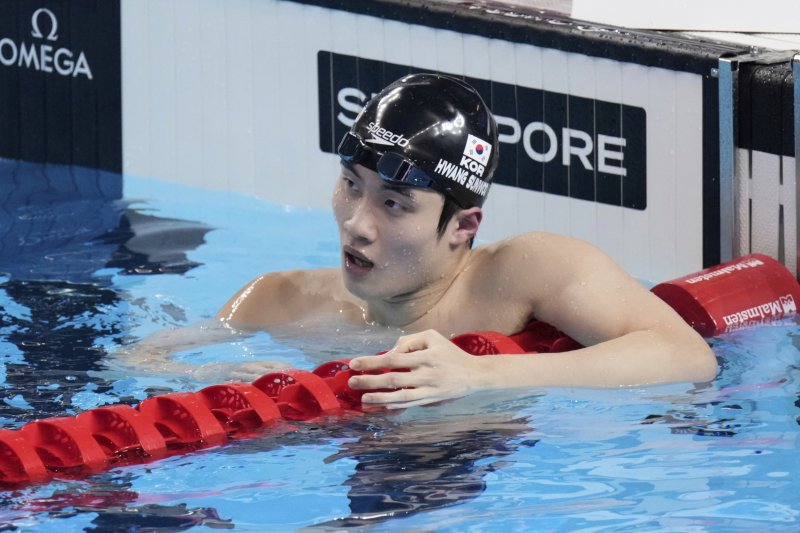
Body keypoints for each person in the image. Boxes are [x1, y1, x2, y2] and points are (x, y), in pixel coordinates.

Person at [208, 73, 717, 409]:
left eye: (394, 203)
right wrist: (229, 373)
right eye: (351, 185)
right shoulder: (276, 301)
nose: (357, 225)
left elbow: (685, 356)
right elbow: (163, 365)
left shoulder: (523, 272)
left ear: (463, 226)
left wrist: (479, 374)